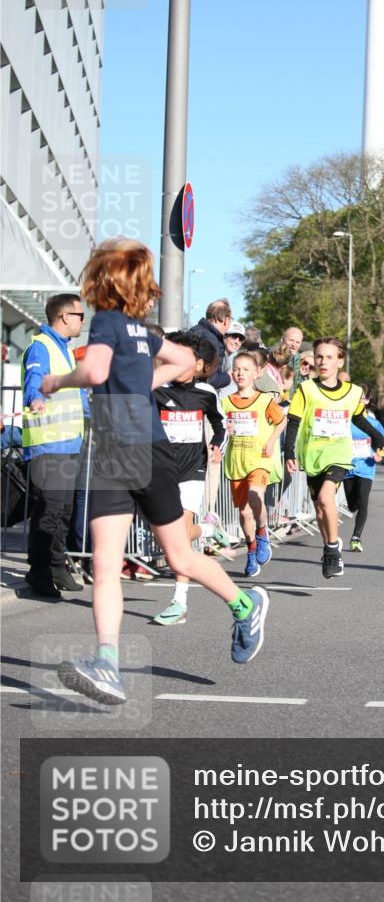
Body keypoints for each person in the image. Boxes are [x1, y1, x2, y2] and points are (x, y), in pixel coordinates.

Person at [41, 238, 268, 706]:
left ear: (102, 278)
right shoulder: (139, 329)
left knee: (157, 559)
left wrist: (57, 381)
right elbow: (186, 360)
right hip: (132, 451)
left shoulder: (106, 322)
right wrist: (145, 383)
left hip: (131, 452)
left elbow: (97, 372)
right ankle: (107, 664)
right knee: (127, 562)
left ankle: (247, 605)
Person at [284, 337, 384, 578]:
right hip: (313, 456)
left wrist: (382, 441)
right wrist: (288, 452)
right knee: (321, 511)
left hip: (339, 455)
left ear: (339, 361)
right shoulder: (306, 389)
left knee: (325, 497)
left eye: (329, 357)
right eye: (319, 356)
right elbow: (294, 421)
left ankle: (333, 551)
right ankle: (329, 545)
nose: (323, 361)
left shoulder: (354, 392)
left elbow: (360, 419)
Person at [151, 331, 231, 626]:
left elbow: (220, 425)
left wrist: (216, 445)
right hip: (160, 469)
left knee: (180, 540)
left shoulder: (206, 393)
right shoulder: (157, 389)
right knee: (167, 539)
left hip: (192, 470)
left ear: (198, 364)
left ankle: (179, 602)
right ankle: (208, 530)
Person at [21, 293, 89, 597]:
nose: (81, 321)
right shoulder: (41, 346)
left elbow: (75, 395)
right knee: (49, 511)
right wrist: (34, 397)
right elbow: (34, 380)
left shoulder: (64, 349)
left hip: (68, 442)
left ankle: (56, 566)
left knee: (61, 512)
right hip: (48, 443)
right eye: (80, 315)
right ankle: (40, 572)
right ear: (64, 317)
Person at [222, 351, 286, 577]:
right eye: (237, 369)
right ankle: (251, 550)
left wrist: (271, 441)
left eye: (246, 369)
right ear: (231, 373)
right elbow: (222, 427)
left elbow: (281, 420)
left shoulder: (264, 400)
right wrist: (225, 431)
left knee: (255, 495)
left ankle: (262, 532)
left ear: (256, 373)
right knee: (244, 513)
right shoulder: (226, 402)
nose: (240, 373)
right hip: (237, 461)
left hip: (259, 459)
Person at [343, 386, 384, 552]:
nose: (358, 401)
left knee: (363, 501)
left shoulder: (374, 423)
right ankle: (353, 508)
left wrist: (380, 454)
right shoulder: (346, 420)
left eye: (361, 398)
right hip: (348, 466)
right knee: (352, 505)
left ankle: (356, 538)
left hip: (366, 467)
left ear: (367, 401)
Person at [189, 300, 233, 391]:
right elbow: (210, 379)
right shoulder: (212, 340)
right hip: (200, 397)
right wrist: (229, 376)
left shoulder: (194, 331)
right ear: (226, 319)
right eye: (231, 319)